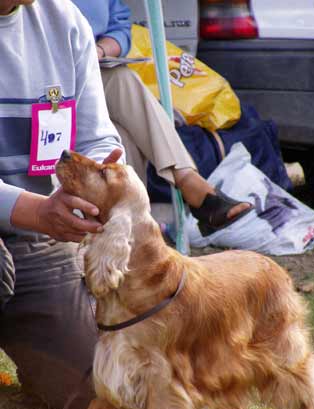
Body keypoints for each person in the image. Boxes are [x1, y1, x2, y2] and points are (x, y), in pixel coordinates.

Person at [0, 0, 125, 409]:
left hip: (39, 241)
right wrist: (36, 211)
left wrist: (107, 179)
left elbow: (94, 137)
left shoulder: (66, 19)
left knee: (98, 396)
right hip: (32, 220)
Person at [72, 0, 253, 235]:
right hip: (52, 79)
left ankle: (130, 233)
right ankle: (188, 182)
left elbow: (120, 28)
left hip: (93, 70)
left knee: (122, 131)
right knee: (121, 78)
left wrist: (100, 51)